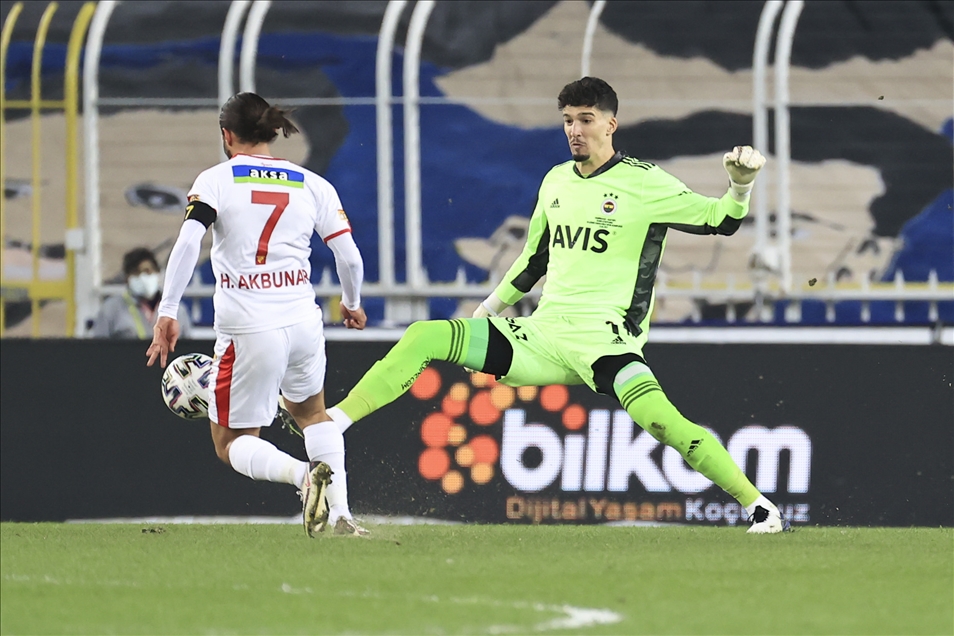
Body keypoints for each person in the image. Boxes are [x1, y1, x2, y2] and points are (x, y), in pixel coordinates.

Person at [322, 77, 788, 533]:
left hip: (605, 340)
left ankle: (760, 508)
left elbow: (720, 220)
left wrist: (739, 188)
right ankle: (333, 423)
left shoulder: (645, 183)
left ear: (610, 125)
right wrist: (487, 311)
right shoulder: (556, 181)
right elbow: (534, 259)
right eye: (568, 120)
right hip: (543, 336)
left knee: (663, 424)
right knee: (426, 335)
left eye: (586, 119)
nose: (574, 130)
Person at [145, 92, 368, 537]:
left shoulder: (216, 180)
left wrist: (167, 309)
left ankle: (304, 477)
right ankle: (342, 515)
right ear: (270, 131)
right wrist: (352, 300)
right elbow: (349, 256)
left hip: (249, 328)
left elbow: (189, 242)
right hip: (303, 322)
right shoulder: (312, 183)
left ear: (227, 136)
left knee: (231, 442)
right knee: (313, 415)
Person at [91, 247, 193, 339]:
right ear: (127, 278)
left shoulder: (177, 310)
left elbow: (188, 347)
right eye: (136, 273)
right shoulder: (110, 309)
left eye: (147, 271)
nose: (142, 277)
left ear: (157, 273)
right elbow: (98, 348)